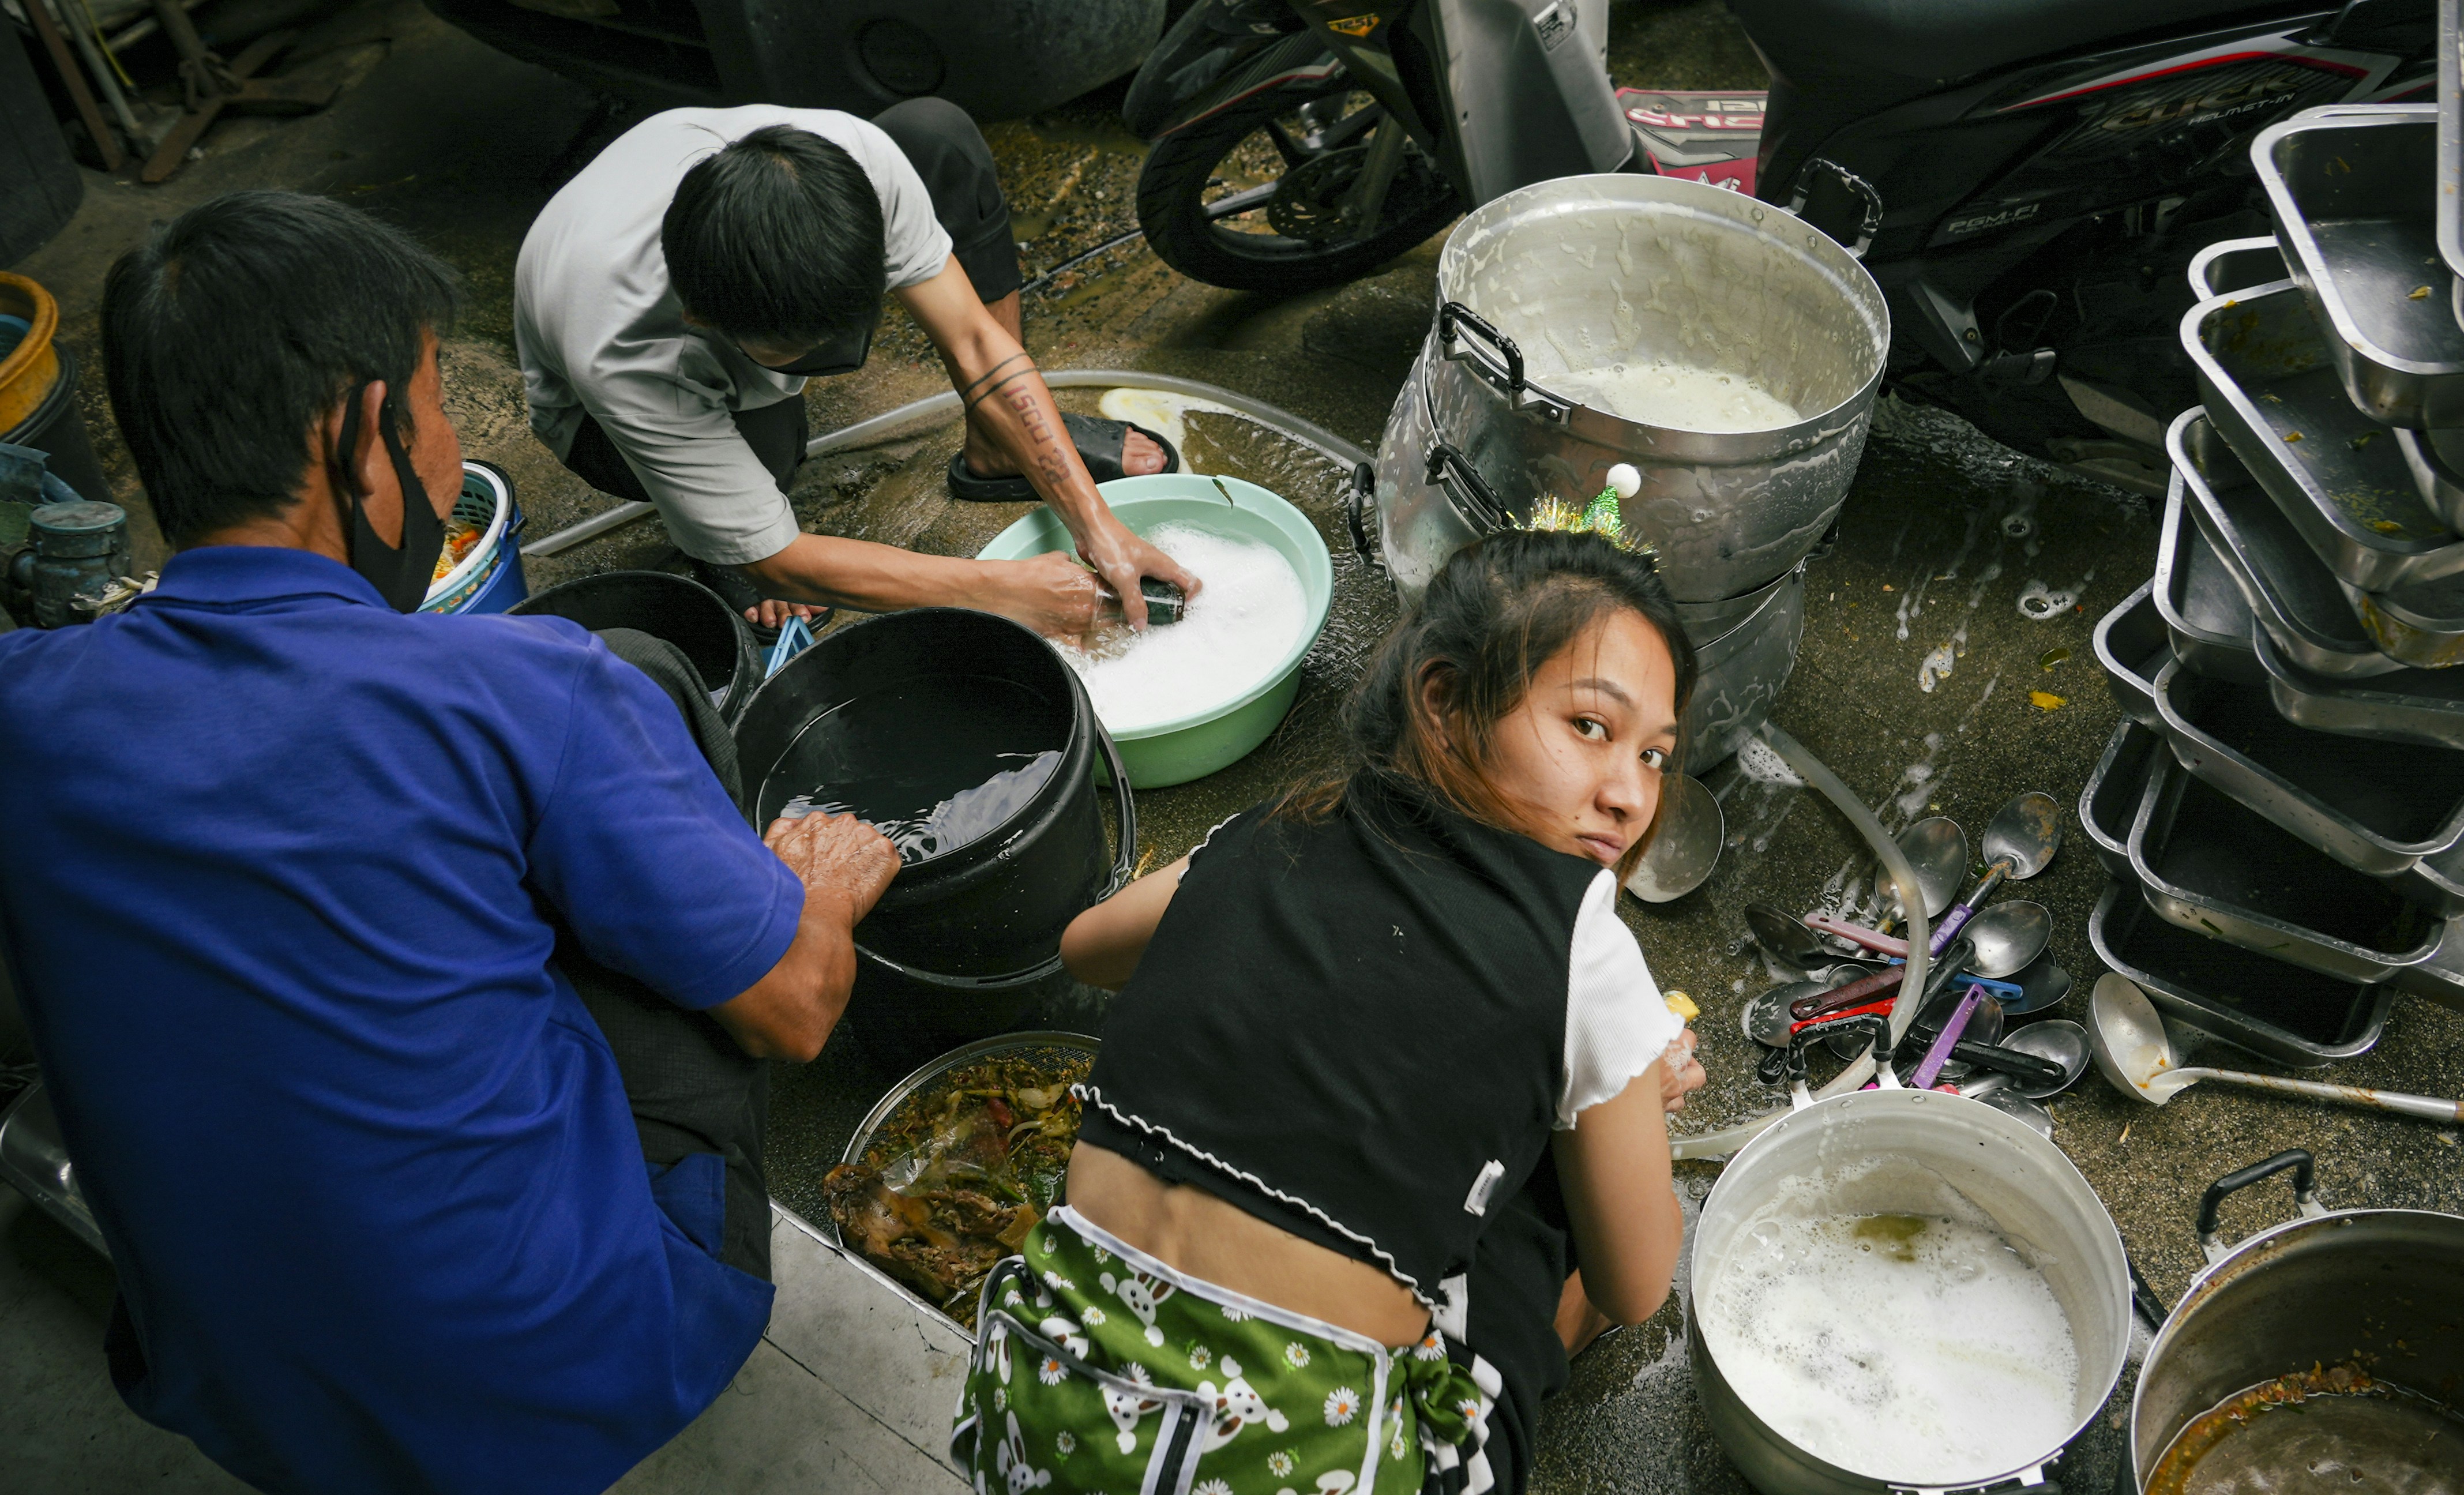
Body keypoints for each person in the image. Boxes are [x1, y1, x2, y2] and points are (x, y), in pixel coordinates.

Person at [0, 190, 898, 1494]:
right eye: (432, 412)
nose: (447, 453)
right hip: (575, 1377)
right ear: (362, 439)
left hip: (243, 1401)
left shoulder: (25, 706)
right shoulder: (526, 687)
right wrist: (806, 891)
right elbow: (802, 1012)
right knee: (657, 708)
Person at [949, 528, 1706, 1494]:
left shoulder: (1278, 829)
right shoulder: (1581, 937)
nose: (1629, 793)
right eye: (1590, 728)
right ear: (1441, 700)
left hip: (1037, 1415)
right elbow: (1635, 1286)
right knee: (1538, 1211)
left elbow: (1088, 948)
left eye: (1654, 754)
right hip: (1286, 1465)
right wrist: (1629, 1088)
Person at [515, 100, 1195, 641]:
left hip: (695, 240)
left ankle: (995, 447)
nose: (846, 356)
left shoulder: (852, 158)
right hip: (589, 418)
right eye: (801, 348)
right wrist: (999, 587)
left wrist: (1097, 524)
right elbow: (776, 559)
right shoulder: (621, 345)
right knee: (772, 462)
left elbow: (976, 344)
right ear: (702, 317)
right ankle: (716, 530)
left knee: (936, 134)